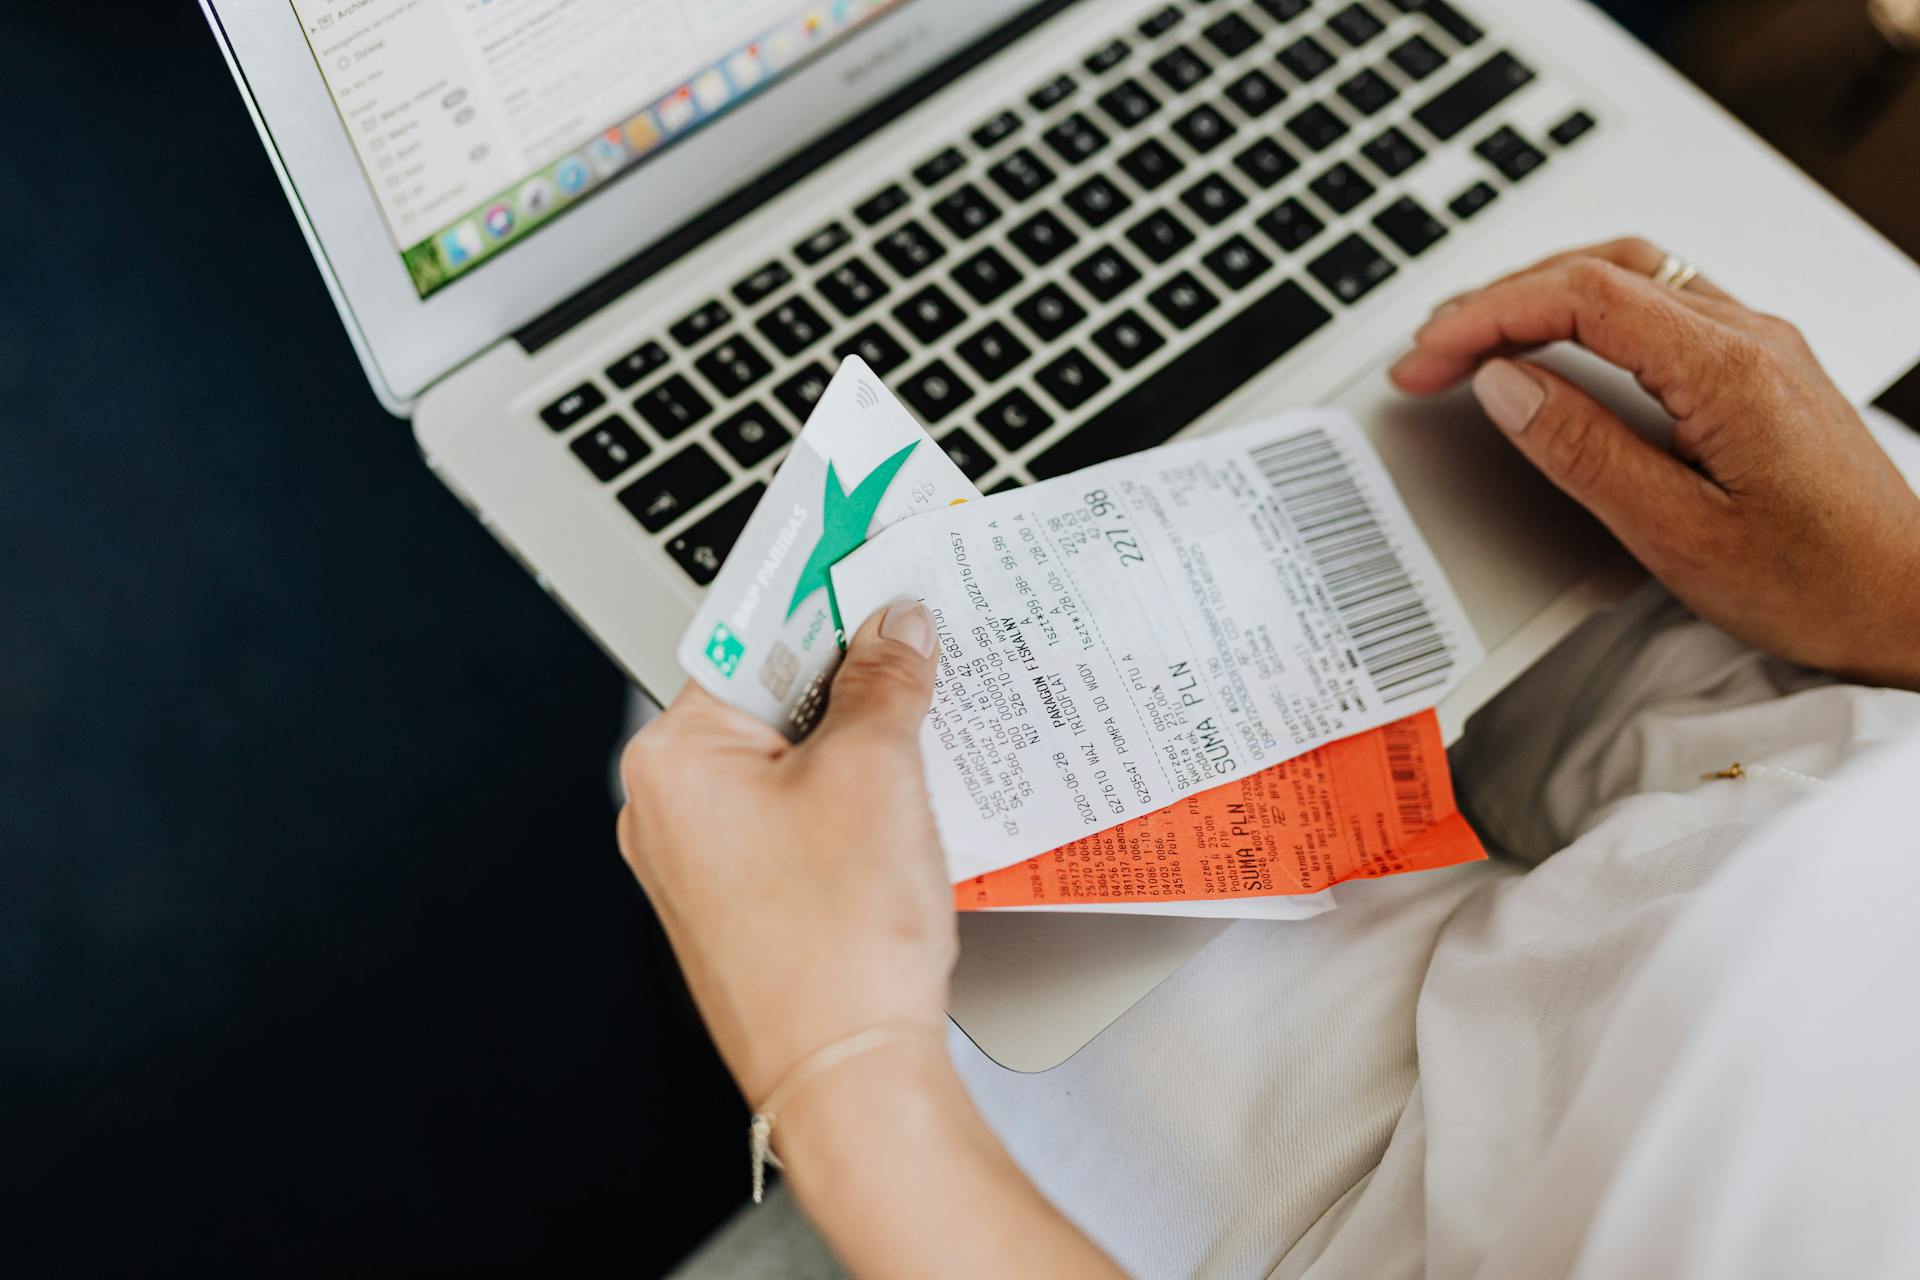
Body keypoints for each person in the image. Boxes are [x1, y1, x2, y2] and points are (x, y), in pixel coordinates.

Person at [620, 239, 1920, 1279]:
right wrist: (1892, 599)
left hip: (1435, 1202)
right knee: (1459, 430)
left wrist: (841, 1068)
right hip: (1861, 754)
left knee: (697, 694)